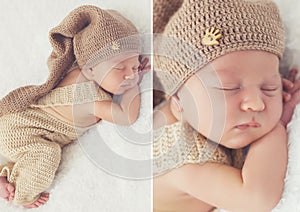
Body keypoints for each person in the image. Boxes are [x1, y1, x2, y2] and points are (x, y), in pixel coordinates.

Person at [153, 0, 300, 211]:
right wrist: (279, 126)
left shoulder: (206, 121)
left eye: (269, 88)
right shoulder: (176, 155)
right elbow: (255, 199)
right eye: (229, 88)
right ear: (178, 102)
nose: (256, 104)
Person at [0, 5, 148, 208]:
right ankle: (21, 191)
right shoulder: (88, 96)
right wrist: (133, 86)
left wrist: (129, 74)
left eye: (134, 66)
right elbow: (126, 116)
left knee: (32, 153)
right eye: (120, 68)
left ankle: (4, 174)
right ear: (91, 68)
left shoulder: (79, 71)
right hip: (22, 131)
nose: (130, 74)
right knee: (46, 155)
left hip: (17, 125)